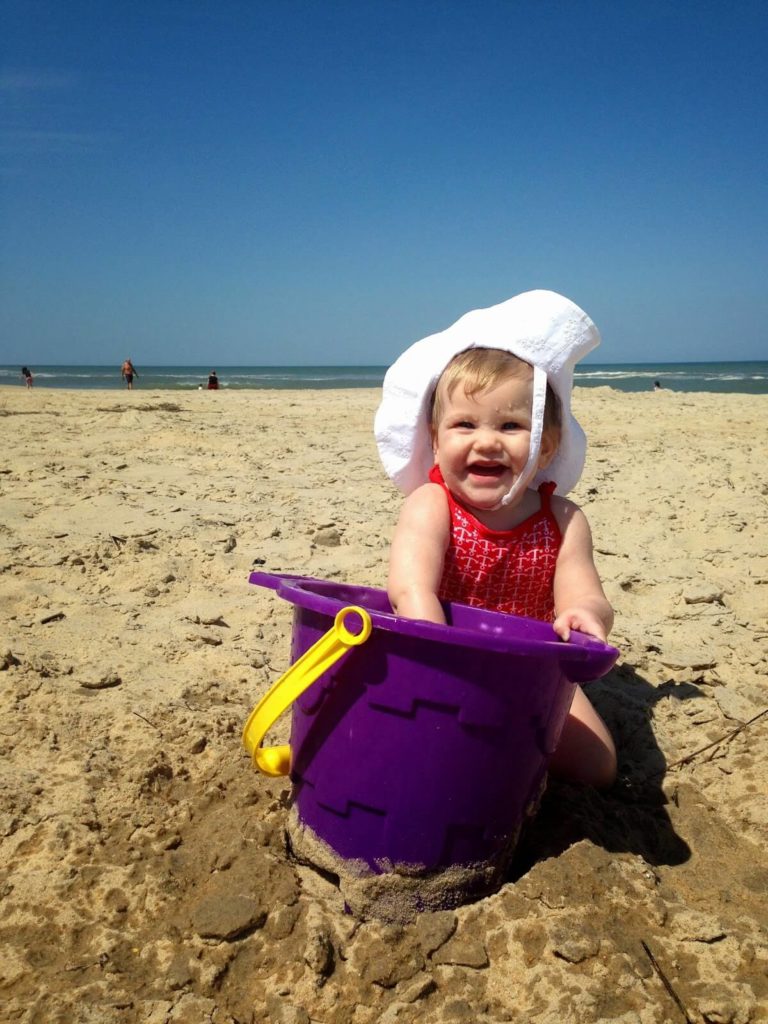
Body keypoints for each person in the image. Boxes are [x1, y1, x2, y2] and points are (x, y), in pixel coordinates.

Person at [375, 289, 617, 788]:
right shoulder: (431, 504)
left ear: (546, 446)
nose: (486, 441)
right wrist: (441, 656)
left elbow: (585, 592)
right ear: (436, 440)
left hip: (531, 672)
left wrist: (586, 616)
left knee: (599, 768)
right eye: (464, 424)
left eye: (511, 425)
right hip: (437, 656)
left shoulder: (564, 520)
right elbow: (410, 588)